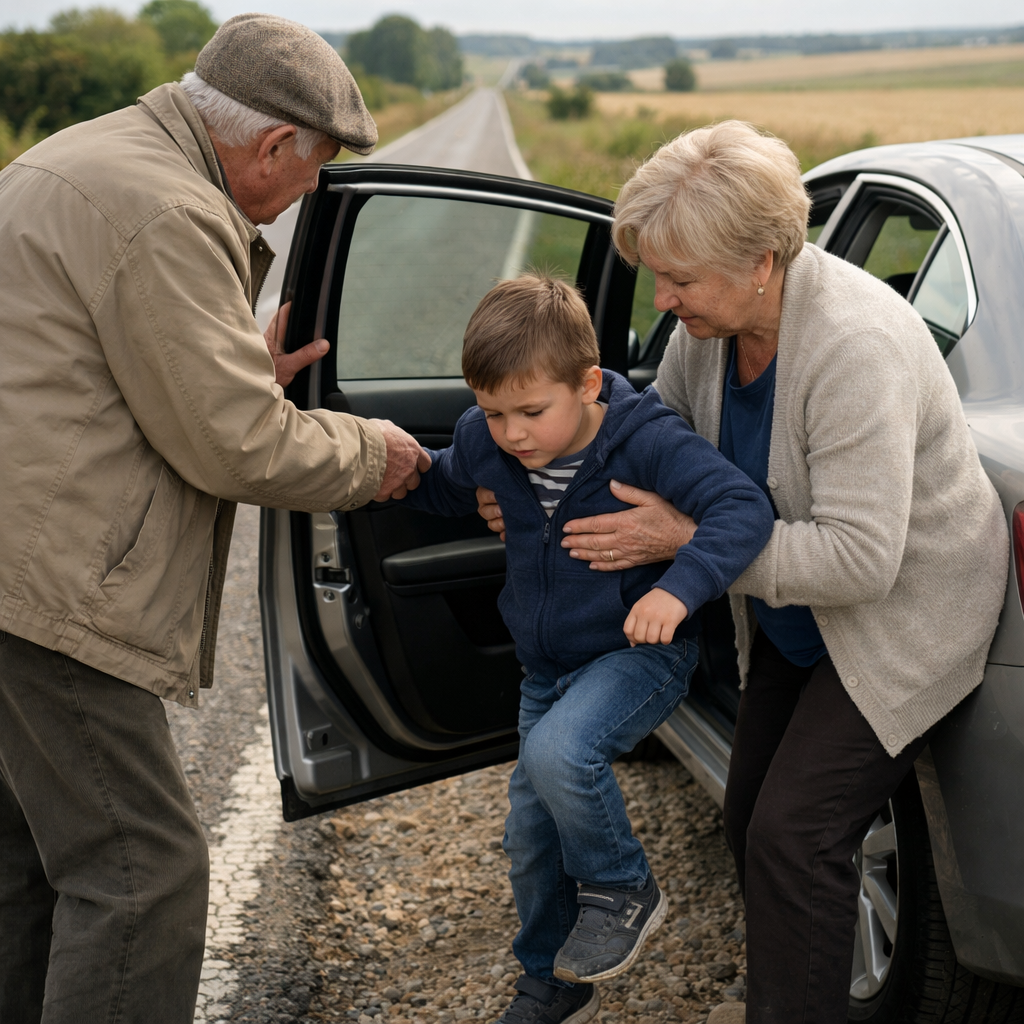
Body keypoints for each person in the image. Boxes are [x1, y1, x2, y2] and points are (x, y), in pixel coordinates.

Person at [478, 121, 1009, 1023]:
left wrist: (683, 539)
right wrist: (532, 486)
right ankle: (790, 990)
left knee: (795, 836)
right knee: (749, 815)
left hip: (899, 618)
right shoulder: (711, 333)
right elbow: (645, 445)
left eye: (680, 278)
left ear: (762, 260)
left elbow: (858, 558)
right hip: (797, 612)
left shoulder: (853, 347)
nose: (663, 297)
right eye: (658, 272)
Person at [0, 14, 429, 1023]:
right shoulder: (169, 208)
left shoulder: (82, 156)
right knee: (142, 868)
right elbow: (236, 443)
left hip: (12, 562)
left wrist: (235, 362)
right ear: (274, 143)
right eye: (316, 163)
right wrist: (375, 454)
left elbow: (86, 353)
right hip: (47, 585)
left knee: (29, 856)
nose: (313, 188)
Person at [401, 275, 774, 1024]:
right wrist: (378, 468)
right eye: (494, 411)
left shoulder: (646, 442)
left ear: (588, 383)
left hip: (640, 649)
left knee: (562, 753)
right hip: (546, 667)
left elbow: (743, 508)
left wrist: (679, 587)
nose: (513, 434)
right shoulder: (488, 442)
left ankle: (624, 886)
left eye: (532, 411)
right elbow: (444, 481)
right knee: (530, 840)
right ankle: (552, 978)